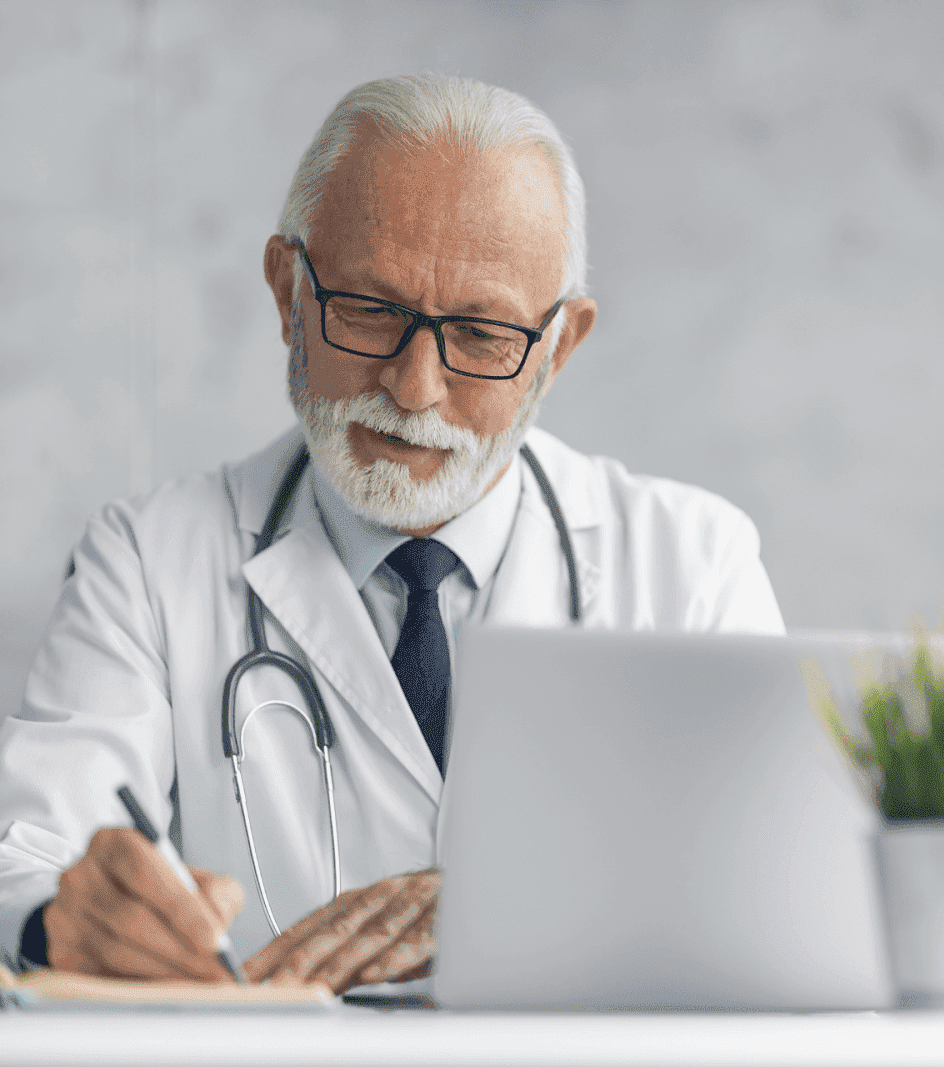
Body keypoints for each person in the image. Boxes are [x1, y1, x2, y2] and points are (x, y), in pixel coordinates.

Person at [0, 74, 784, 992]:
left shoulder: (693, 563)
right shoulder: (145, 559)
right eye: (370, 311)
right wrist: (66, 918)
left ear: (560, 346)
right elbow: (29, 855)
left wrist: (511, 904)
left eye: (483, 333)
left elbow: (770, 894)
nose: (415, 387)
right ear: (289, 292)